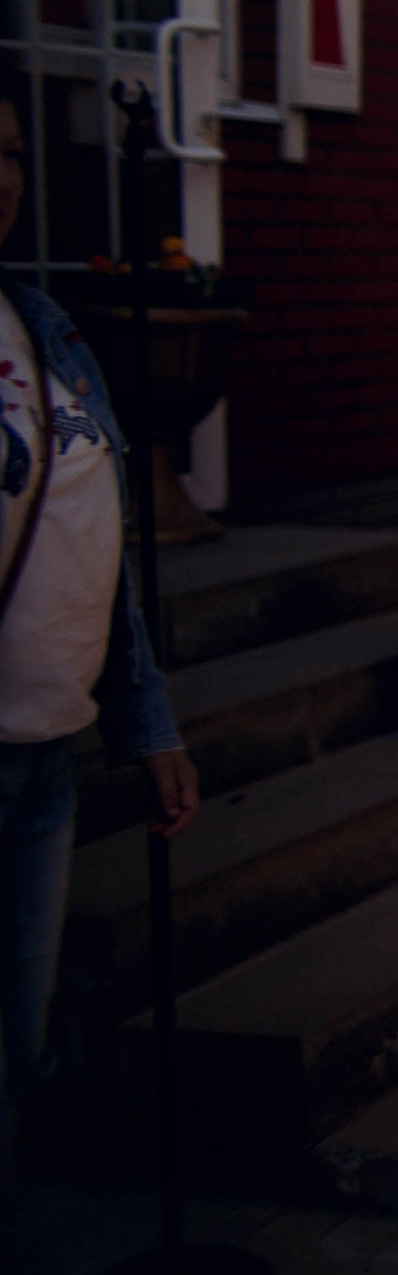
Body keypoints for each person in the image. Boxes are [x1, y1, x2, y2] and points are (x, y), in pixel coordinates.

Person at [0, 88, 200, 1172]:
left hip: (48, 752)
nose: (2, 178)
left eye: (12, 152)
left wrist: (148, 719)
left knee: (19, 1054)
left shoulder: (45, 327)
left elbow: (97, 540)